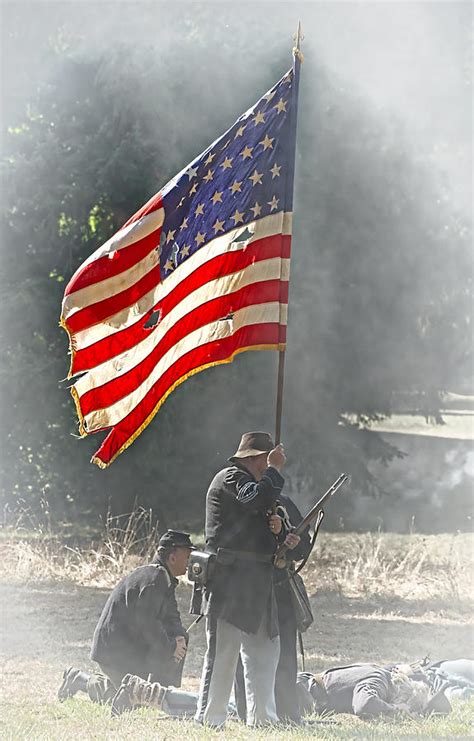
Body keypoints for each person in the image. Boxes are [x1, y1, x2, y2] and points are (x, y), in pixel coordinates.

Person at [194, 431, 299, 727]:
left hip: (257, 578)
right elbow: (253, 500)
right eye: (266, 463)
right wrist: (275, 470)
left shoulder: (257, 485)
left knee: (266, 649)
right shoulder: (230, 479)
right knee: (224, 651)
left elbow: (259, 520)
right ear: (255, 459)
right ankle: (210, 718)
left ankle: (263, 719)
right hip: (230, 579)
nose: (268, 469)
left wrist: (277, 529)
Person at [58, 529, 195, 704]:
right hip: (115, 650)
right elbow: (147, 624)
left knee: (133, 695)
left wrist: (179, 637)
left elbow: (171, 616)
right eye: (187, 557)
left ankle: (157, 692)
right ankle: (80, 680)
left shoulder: (163, 578)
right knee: (127, 699)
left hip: (128, 649)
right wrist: (170, 648)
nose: (190, 563)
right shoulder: (155, 578)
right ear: (173, 558)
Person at [234, 493, 312, 724]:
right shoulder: (239, 504)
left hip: (279, 589)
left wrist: (289, 540)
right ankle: (245, 711)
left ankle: (288, 713)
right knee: (245, 656)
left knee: (286, 653)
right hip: (248, 589)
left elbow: (302, 549)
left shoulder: (284, 505)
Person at [296, 662, 452, 718]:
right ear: (403, 697)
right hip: (299, 693)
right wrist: (395, 709)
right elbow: (364, 705)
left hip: (302, 689)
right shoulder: (380, 682)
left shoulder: (382, 675)